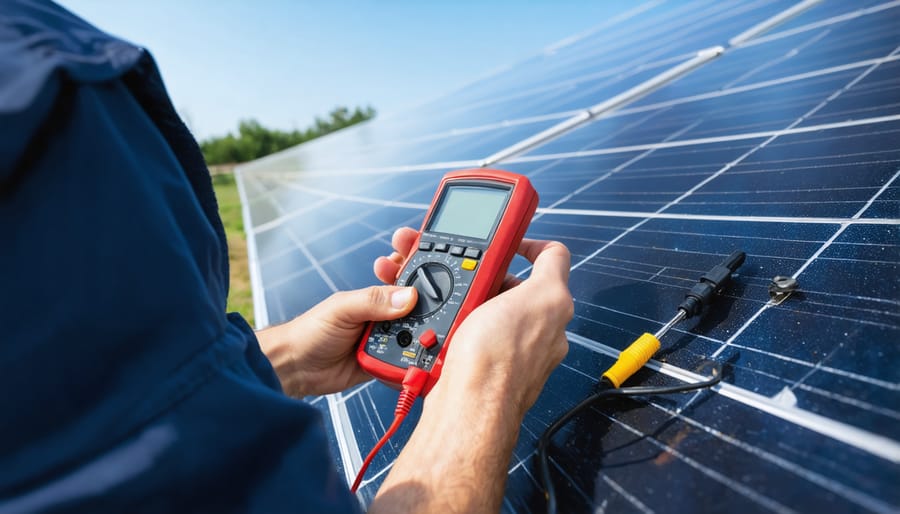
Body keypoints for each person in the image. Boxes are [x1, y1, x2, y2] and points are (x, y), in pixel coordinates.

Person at [1, 1, 573, 513]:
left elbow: (88, 401)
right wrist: (486, 387)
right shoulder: (46, 86)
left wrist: (288, 357)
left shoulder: (35, 75)